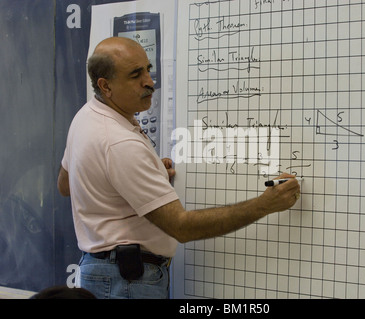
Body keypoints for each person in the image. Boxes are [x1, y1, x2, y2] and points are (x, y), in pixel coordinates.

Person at [57, 37, 301, 299]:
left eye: (148, 69)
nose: (150, 82)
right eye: (135, 75)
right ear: (106, 86)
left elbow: (65, 185)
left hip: (106, 274)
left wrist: (136, 176)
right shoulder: (119, 143)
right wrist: (265, 204)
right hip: (125, 283)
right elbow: (182, 228)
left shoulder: (86, 117)